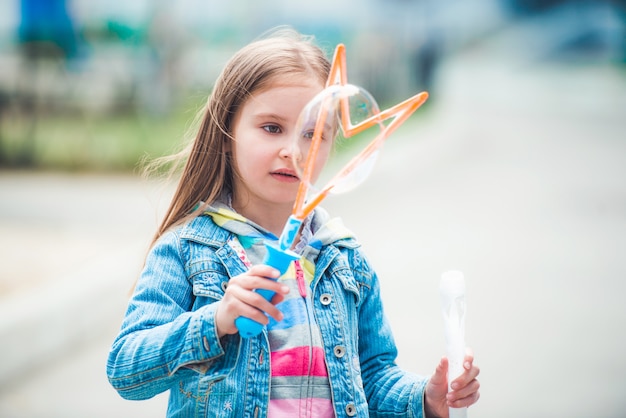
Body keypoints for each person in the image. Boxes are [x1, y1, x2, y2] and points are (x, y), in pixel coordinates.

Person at [106, 27, 480, 418]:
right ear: (226, 133)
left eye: (313, 134)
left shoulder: (345, 259)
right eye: (271, 128)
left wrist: (425, 399)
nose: (293, 151)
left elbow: (372, 376)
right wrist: (216, 320)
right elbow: (126, 369)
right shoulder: (188, 250)